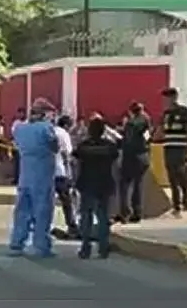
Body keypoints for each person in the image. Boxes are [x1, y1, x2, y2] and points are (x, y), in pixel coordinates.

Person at [8, 104, 59, 258]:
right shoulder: (46, 128)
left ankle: (17, 242)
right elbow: (54, 146)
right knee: (42, 210)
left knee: (22, 210)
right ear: (44, 114)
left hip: (25, 174)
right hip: (42, 174)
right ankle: (41, 245)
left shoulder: (20, 129)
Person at [73, 117, 120, 259]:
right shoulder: (109, 146)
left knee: (86, 216)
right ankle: (103, 248)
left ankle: (85, 247)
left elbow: (76, 160)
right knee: (103, 217)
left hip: (87, 184)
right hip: (104, 184)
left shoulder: (83, 147)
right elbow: (115, 158)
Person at [159, 88, 187, 216]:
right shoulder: (166, 114)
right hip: (168, 147)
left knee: (180, 174)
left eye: (167, 98)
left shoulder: (185, 112)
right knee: (171, 176)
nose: (165, 101)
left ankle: (186, 199)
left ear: (174, 98)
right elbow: (162, 131)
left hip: (180, 147)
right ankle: (176, 205)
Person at [117, 102, 152, 223]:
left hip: (131, 157)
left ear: (131, 111)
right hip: (144, 156)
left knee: (125, 185)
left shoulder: (130, 124)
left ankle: (125, 213)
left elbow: (127, 141)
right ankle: (137, 212)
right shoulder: (147, 122)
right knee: (138, 185)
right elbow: (148, 139)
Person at [53, 114, 78, 237]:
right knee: (67, 201)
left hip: (46, 172)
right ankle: (71, 225)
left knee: (45, 201)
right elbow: (67, 154)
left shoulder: (50, 131)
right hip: (60, 171)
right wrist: (70, 173)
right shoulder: (64, 134)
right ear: (67, 125)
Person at [10, 108, 27, 185]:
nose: (20, 115)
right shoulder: (16, 123)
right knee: (17, 163)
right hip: (17, 145)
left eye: (21, 113)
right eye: (19, 113)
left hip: (26, 146)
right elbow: (13, 133)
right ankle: (17, 178)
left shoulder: (28, 123)